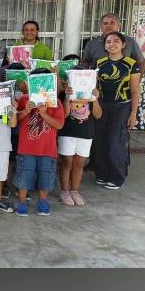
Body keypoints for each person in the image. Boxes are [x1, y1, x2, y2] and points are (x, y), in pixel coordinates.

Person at [13, 68, 65, 216]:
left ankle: (42, 202)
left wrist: (43, 113)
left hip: (47, 149)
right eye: (35, 82)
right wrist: (25, 111)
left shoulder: (55, 103)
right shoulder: (24, 100)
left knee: (46, 176)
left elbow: (59, 125)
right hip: (26, 148)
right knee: (24, 176)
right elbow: (14, 121)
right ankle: (22, 203)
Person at [93, 31, 141, 190]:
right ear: (104, 45)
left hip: (122, 106)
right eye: (108, 42)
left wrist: (133, 113)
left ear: (123, 45)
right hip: (101, 105)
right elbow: (93, 85)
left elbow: (135, 91)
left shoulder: (131, 64)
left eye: (116, 41)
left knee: (116, 142)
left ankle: (116, 177)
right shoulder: (99, 63)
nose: (111, 44)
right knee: (100, 141)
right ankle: (101, 174)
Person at [58, 77, 102, 206]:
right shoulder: (65, 93)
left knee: (79, 163)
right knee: (66, 162)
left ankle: (75, 191)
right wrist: (67, 97)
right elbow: (65, 115)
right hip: (67, 133)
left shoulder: (91, 94)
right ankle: (65, 191)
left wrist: (96, 98)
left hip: (86, 133)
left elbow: (98, 115)